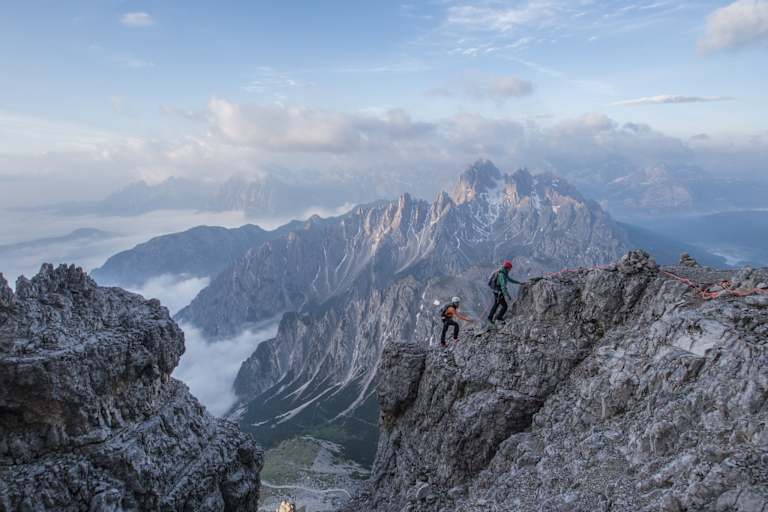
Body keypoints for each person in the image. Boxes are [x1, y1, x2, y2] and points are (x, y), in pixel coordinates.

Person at [487, 260, 523, 328]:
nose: (510, 270)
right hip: (499, 292)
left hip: (496, 291)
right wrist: (507, 296)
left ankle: (491, 318)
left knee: (496, 304)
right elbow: (503, 287)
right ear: (507, 268)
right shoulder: (502, 275)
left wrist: (518, 282)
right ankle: (498, 317)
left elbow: (509, 279)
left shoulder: (503, 272)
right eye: (510, 268)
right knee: (504, 306)